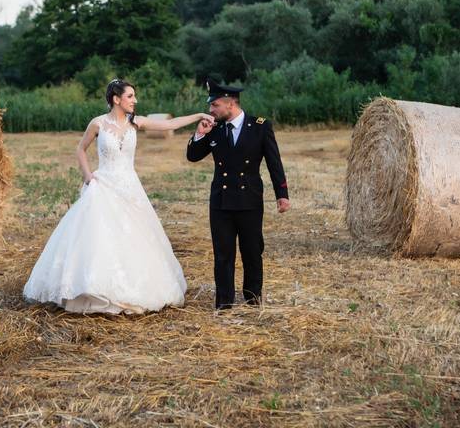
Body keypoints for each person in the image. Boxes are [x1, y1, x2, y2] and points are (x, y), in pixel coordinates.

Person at [23, 79, 215, 314]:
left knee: (135, 236)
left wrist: (197, 116)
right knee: (100, 237)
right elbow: (80, 149)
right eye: (130, 96)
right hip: (103, 185)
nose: (135, 100)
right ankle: (93, 288)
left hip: (130, 188)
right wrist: (87, 176)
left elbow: (169, 124)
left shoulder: (137, 123)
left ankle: (130, 290)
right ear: (116, 99)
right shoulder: (98, 124)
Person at [186, 79, 290, 310]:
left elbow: (275, 162)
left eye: (214, 106)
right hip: (221, 202)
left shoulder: (260, 126)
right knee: (223, 254)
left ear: (230, 103)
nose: (211, 110)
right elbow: (193, 156)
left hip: (250, 200)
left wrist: (282, 194)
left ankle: (253, 299)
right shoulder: (214, 129)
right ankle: (224, 303)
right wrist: (199, 134)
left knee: (252, 251)